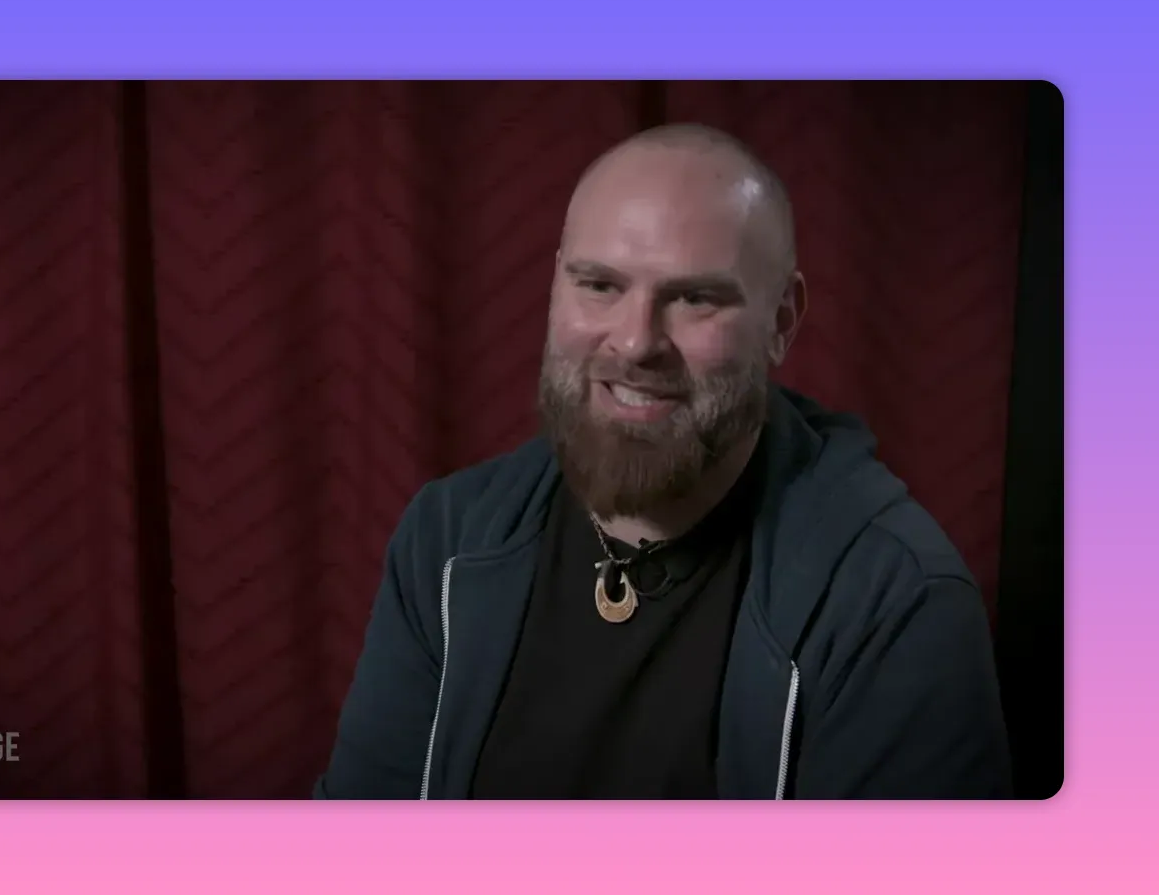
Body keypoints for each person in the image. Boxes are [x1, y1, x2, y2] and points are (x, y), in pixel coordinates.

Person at [315, 124, 1012, 800]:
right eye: (600, 286)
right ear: (556, 286)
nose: (635, 342)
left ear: (781, 321)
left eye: (694, 298)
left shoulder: (891, 601)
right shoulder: (447, 542)